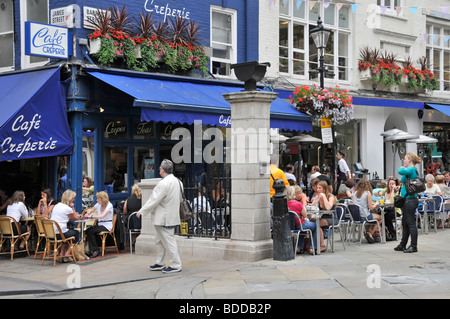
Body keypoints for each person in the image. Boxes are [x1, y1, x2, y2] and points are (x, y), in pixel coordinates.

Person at [136, 159, 183, 274]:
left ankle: (176, 264)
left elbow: (154, 200)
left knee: (168, 241)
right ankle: (160, 262)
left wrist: (142, 211)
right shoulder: (178, 181)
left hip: (163, 218)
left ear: (162, 170)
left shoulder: (163, 183)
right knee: (160, 240)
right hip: (170, 216)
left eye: (160, 169)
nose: (159, 170)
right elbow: (180, 199)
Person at [395, 152, 421, 253]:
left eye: (405, 159)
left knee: (410, 223)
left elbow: (400, 171)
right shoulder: (410, 171)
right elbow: (403, 179)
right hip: (407, 199)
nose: (404, 160)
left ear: (410, 160)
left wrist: (402, 167)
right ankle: (403, 244)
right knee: (405, 223)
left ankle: (413, 246)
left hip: (410, 200)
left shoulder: (411, 169)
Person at [285, 186, 317, 254]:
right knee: (315, 226)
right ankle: (312, 247)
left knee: (302, 228)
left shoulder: (284, 204)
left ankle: (299, 247)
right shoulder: (298, 204)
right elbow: (305, 215)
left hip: (289, 226)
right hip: (299, 225)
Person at [85, 191, 114, 258]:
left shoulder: (109, 205)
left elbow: (102, 216)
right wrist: (88, 213)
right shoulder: (98, 205)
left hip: (107, 225)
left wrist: (91, 217)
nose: (96, 200)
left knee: (91, 231)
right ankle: (90, 250)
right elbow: (91, 210)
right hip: (100, 224)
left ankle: (95, 250)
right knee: (88, 230)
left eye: (98, 198)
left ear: (102, 199)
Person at [51, 190, 80, 257]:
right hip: (60, 234)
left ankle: (61, 252)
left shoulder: (57, 205)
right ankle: (67, 252)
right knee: (76, 233)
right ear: (69, 199)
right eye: (73, 198)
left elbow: (62, 216)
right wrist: (72, 207)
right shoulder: (68, 208)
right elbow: (75, 218)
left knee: (66, 231)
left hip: (52, 233)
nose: (74, 199)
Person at [352, 179, 381, 244]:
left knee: (372, 216)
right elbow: (371, 207)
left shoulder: (354, 193)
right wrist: (376, 203)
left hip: (356, 217)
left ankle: (368, 231)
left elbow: (353, 205)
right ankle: (370, 233)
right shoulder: (367, 193)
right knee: (381, 217)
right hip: (365, 216)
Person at [310, 180, 336, 252]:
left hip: (331, 218)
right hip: (321, 218)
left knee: (316, 225)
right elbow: (312, 208)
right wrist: (315, 200)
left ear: (324, 188)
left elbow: (328, 208)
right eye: (317, 188)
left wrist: (324, 197)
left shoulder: (331, 196)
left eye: (319, 188)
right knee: (310, 223)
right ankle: (312, 244)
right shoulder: (318, 196)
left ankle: (321, 245)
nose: (318, 190)